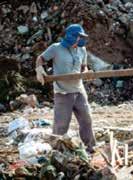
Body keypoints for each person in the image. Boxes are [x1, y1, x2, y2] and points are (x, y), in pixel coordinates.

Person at [35, 24, 96, 153]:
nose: (80, 40)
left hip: (79, 90)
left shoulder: (82, 50)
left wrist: (85, 72)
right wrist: (39, 69)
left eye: (82, 38)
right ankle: (57, 151)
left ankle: (90, 147)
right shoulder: (56, 48)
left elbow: (83, 66)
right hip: (62, 92)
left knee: (86, 120)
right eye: (78, 37)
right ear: (71, 37)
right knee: (61, 125)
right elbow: (40, 59)